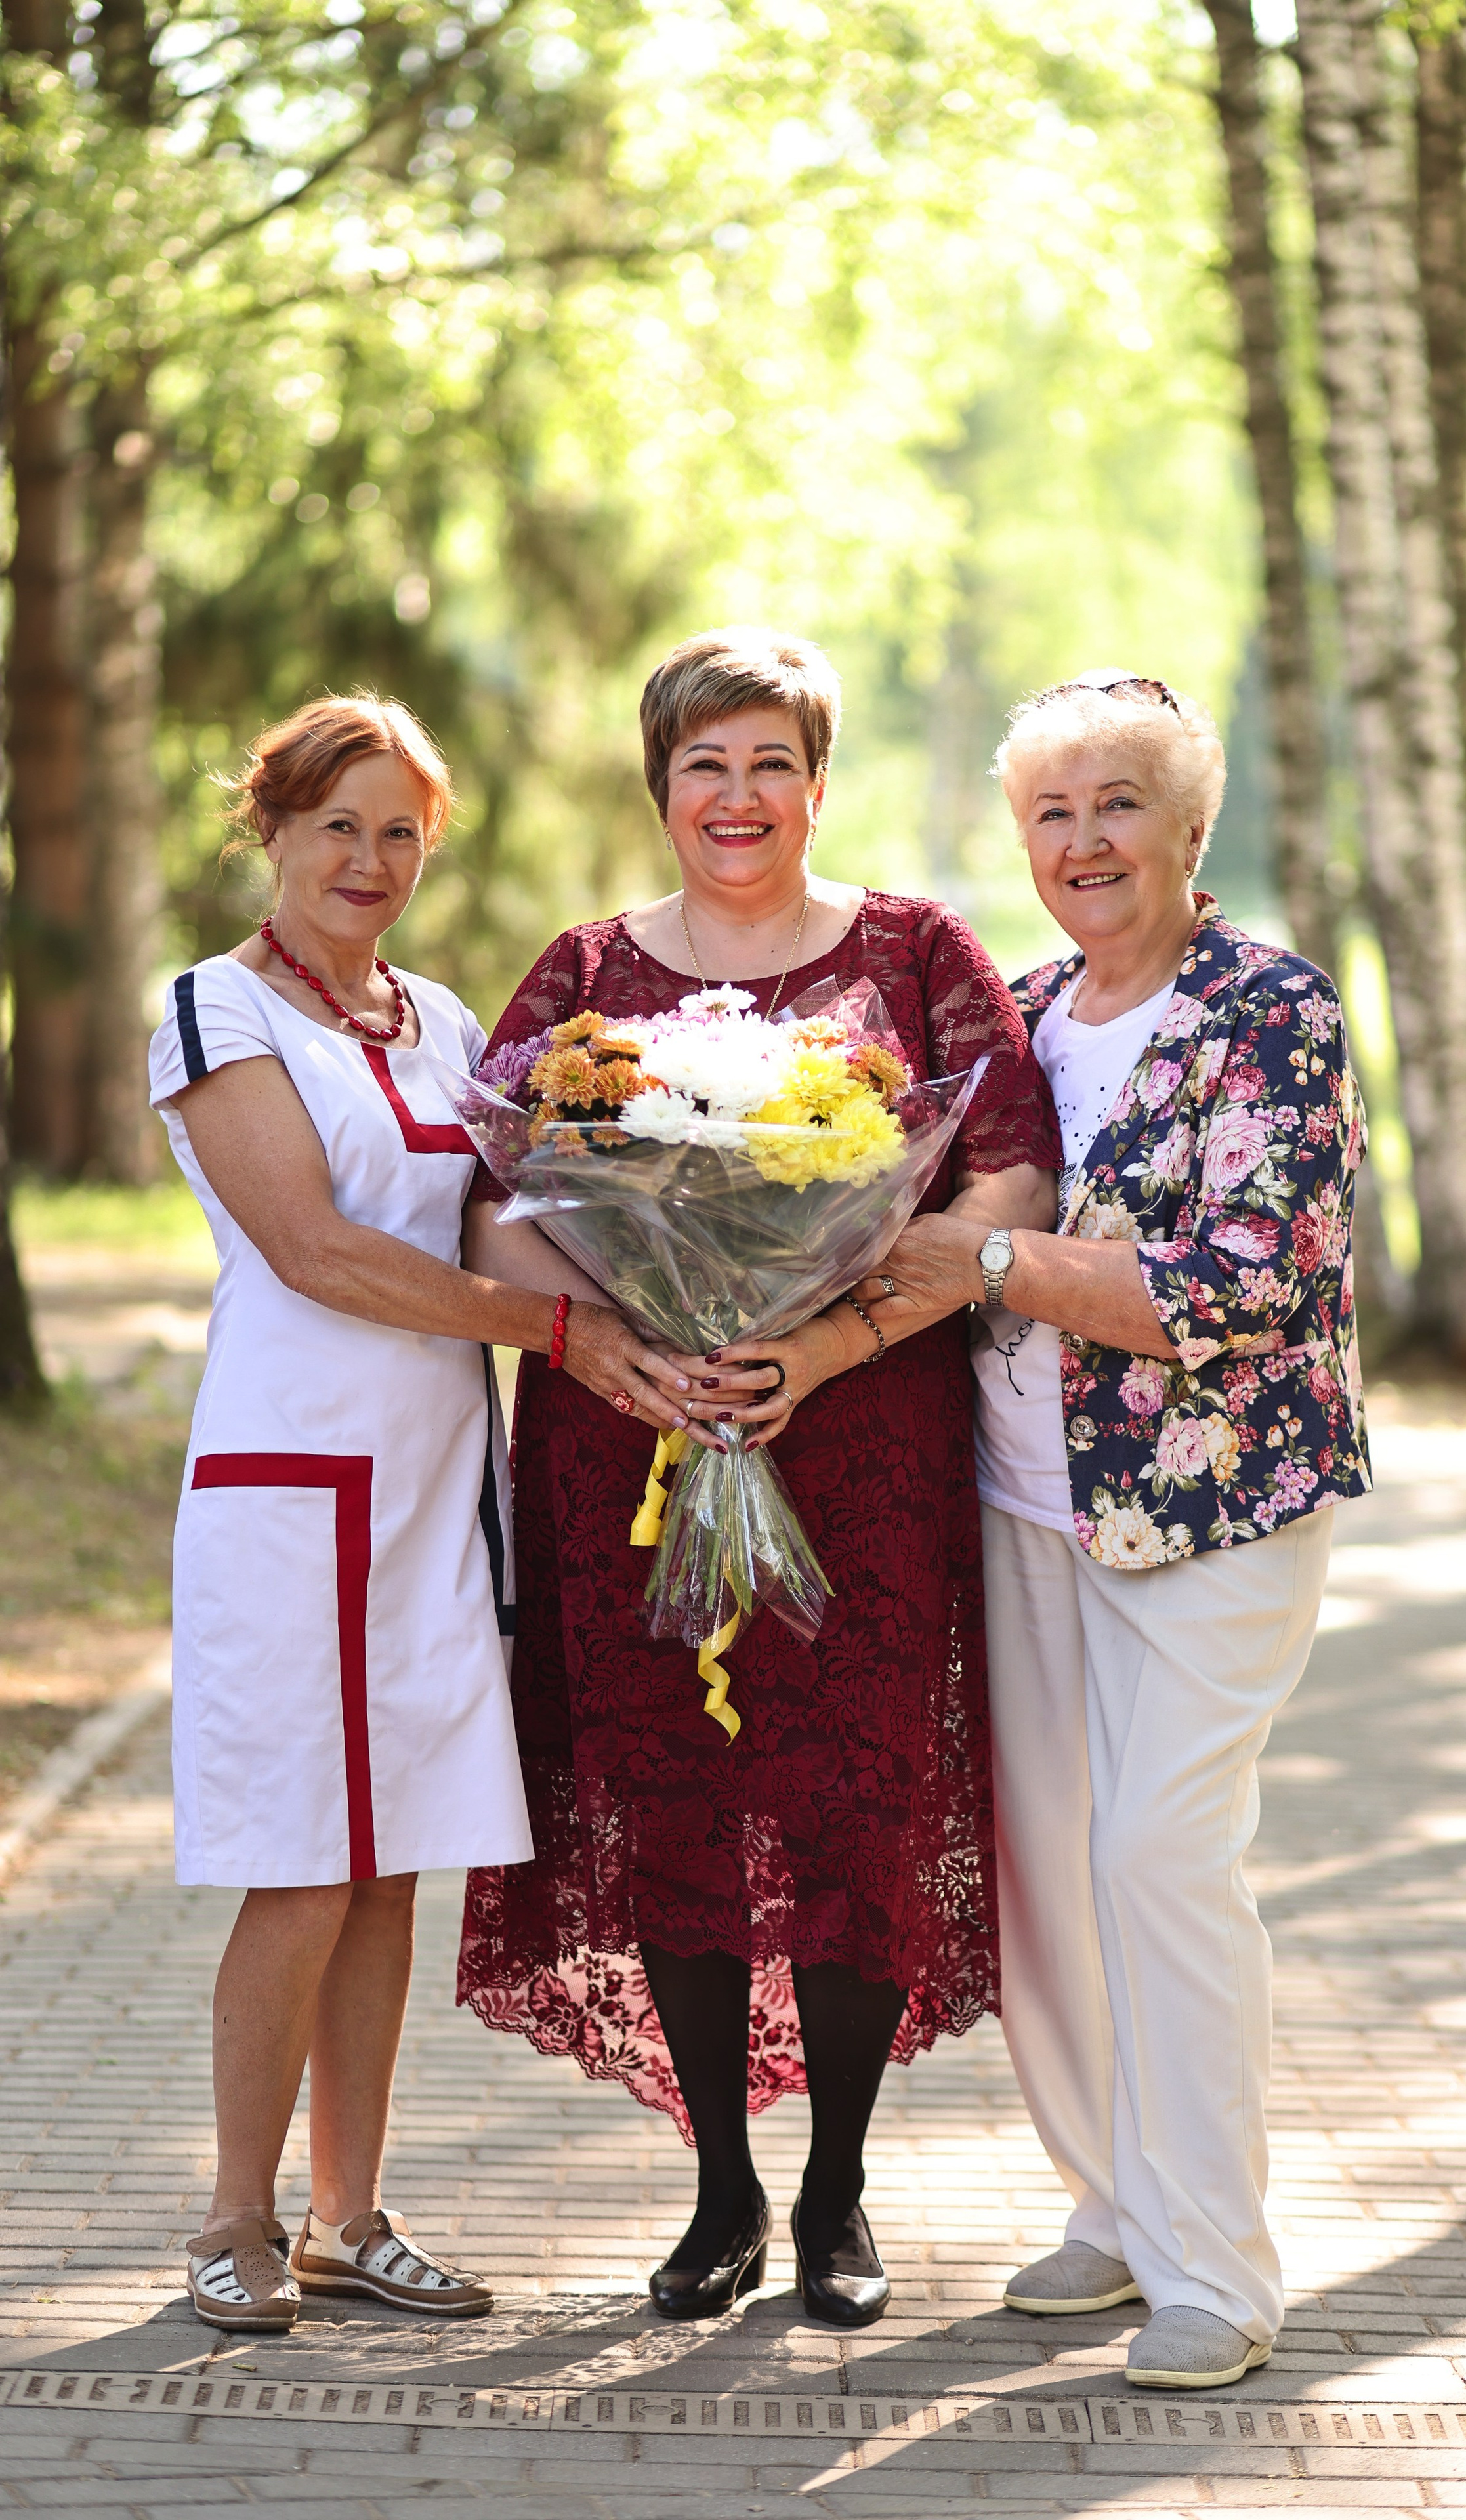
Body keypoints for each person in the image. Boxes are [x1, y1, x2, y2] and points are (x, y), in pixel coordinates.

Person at [459, 626, 1058, 2326]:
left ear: (816, 780)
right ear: (661, 786)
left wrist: (826, 1337)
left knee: (858, 1797)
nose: (740, 796)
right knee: (679, 1797)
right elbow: (494, 1199)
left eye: (771, 763)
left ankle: (837, 2194)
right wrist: (632, 1335)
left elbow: (1006, 1175)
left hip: (860, 1437)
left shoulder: (915, 951)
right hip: (628, 1435)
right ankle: (720, 2191)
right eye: (706, 764)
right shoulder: (583, 971)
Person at [874, 671, 1371, 2388]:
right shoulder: (1010, 1015)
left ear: (1186, 825)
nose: (1084, 841)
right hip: (1019, 1505)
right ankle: (1116, 2200)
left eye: (1118, 805)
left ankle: (1216, 2265)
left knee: (1163, 1852)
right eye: (1052, 813)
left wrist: (996, 1265)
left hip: (1212, 1502)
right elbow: (895, 1218)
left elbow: (1251, 1284)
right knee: (1053, 1881)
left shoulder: (1270, 1012)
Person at [151, 695, 589, 2333]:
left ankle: (348, 2216)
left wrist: (663, 1298)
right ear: (269, 828)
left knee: (392, 1862)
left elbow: (507, 1223)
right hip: (289, 1489)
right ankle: (231, 2216)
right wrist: (553, 1335)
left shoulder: (446, 1020)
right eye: (338, 822)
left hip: (430, 1494)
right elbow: (314, 1250)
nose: (370, 858)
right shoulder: (213, 1012)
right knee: (303, 1865)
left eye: (401, 829)